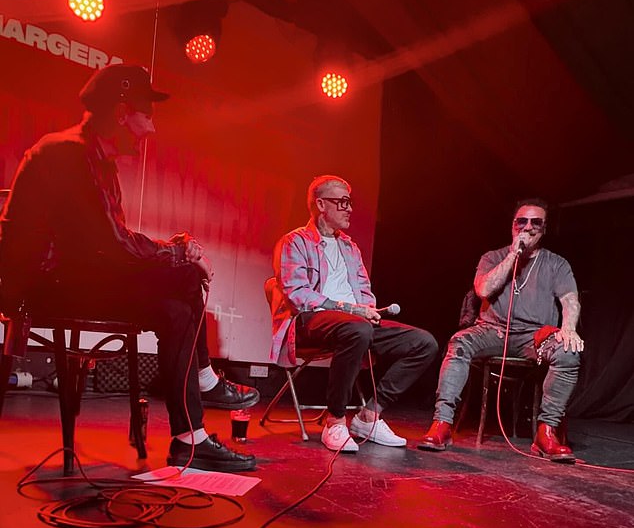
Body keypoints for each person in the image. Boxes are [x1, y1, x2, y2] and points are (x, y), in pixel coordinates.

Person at [0, 63, 256, 472]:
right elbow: (109, 246)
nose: (150, 130)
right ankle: (206, 383)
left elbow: (110, 242)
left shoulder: (96, 161)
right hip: (47, 285)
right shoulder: (69, 153)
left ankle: (190, 438)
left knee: (175, 310)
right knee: (188, 275)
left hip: (77, 278)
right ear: (121, 114)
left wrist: (174, 249)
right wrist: (178, 254)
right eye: (147, 116)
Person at [271, 175, 438, 452]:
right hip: (310, 321)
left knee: (423, 343)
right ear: (322, 204)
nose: (350, 209)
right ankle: (335, 422)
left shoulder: (350, 247)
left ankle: (369, 416)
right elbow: (298, 294)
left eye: (351, 202)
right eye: (343, 202)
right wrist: (349, 309)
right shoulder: (295, 242)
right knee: (356, 328)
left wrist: (368, 310)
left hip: (354, 323)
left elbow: (363, 290)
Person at [418, 198, 583, 462]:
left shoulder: (557, 264)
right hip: (491, 331)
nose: (527, 228)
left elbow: (570, 300)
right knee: (459, 343)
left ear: (544, 228)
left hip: (534, 337)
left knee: (568, 352)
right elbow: (483, 289)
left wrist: (569, 329)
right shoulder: (492, 257)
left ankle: (546, 432)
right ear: (513, 225)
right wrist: (513, 255)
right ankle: (442, 424)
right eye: (522, 221)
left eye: (535, 223)